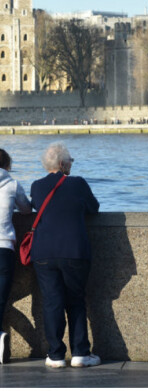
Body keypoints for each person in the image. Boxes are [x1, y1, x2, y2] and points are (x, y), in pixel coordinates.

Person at [30, 142, 100, 368]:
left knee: (52, 302)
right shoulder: (78, 183)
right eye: (70, 160)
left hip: (43, 253)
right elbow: (94, 208)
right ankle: (80, 353)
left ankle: (55, 355)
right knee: (76, 301)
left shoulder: (36, 186)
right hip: (74, 251)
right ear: (62, 164)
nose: (72, 163)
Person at [0, 149, 32, 364]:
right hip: (4, 248)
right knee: (2, 298)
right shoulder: (12, 184)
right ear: (7, 164)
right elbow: (27, 210)